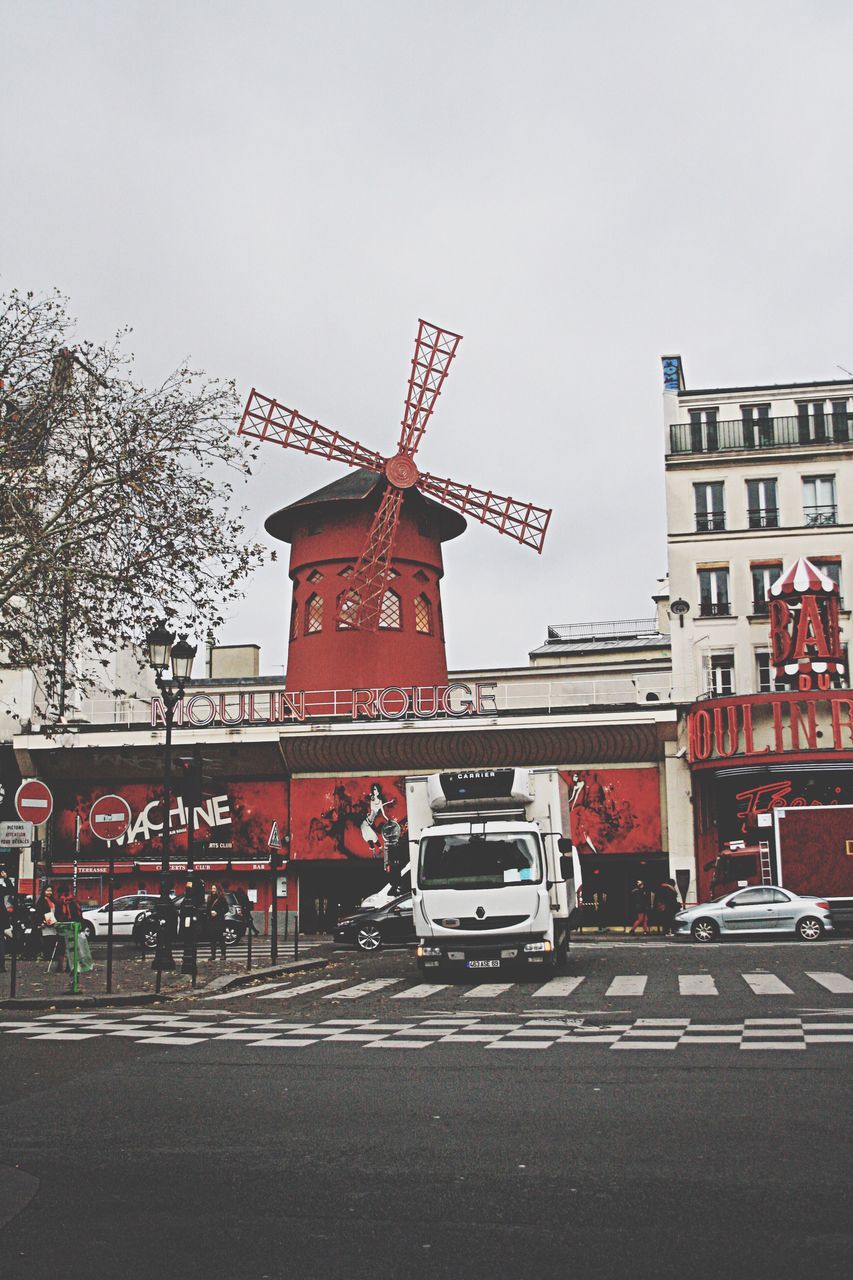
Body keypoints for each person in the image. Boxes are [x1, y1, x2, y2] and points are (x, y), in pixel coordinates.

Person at [206, 883, 228, 961]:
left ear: (218, 889)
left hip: (219, 921)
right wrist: (210, 913)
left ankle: (223, 954)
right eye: (212, 888)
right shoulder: (209, 898)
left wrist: (217, 913)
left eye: (214, 888)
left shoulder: (221, 898)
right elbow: (207, 909)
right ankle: (213, 955)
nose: (213, 890)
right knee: (212, 939)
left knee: (221, 938)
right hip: (211, 921)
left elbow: (226, 909)